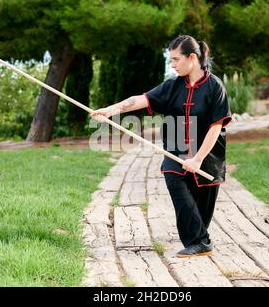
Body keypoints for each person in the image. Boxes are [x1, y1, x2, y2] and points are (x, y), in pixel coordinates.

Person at [91, 35, 232, 257]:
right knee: (173, 177)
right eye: (171, 60)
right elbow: (141, 99)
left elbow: (216, 127)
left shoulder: (215, 87)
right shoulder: (172, 86)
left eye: (176, 59)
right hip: (175, 149)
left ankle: (198, 236)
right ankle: (200, 242)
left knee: (202, 211)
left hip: (208, 155)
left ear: (192, 58)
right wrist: (111, 110)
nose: (172, 64)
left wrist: (197, 159)